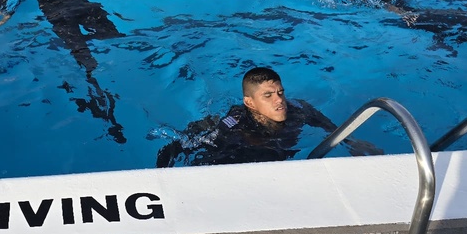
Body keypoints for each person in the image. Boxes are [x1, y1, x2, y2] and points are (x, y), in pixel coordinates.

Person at [156, 67, 382, 168]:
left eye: (280, 92)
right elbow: (200, 152)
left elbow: (328, 127)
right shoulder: (234, 124)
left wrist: (350, 143)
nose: (279, 100)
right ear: (250, 102)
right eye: (268, 95)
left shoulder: (299, 110)